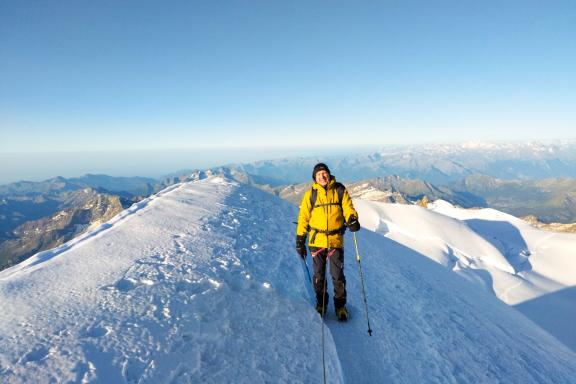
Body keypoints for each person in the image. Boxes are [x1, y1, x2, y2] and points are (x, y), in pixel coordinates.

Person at [296, 163, 360, 321]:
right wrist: (300, 239)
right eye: (318, 175)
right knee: (319, 275)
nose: (322, 177)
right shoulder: (310, 194)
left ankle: (340, 306)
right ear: (315, 178)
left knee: (337, 275)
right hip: (316, 241)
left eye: (324, 173)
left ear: (329, 174)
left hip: (335, 240)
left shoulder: (339, 190)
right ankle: (321, 304)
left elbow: (348, 207)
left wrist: (352, 218)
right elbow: (303, 217)